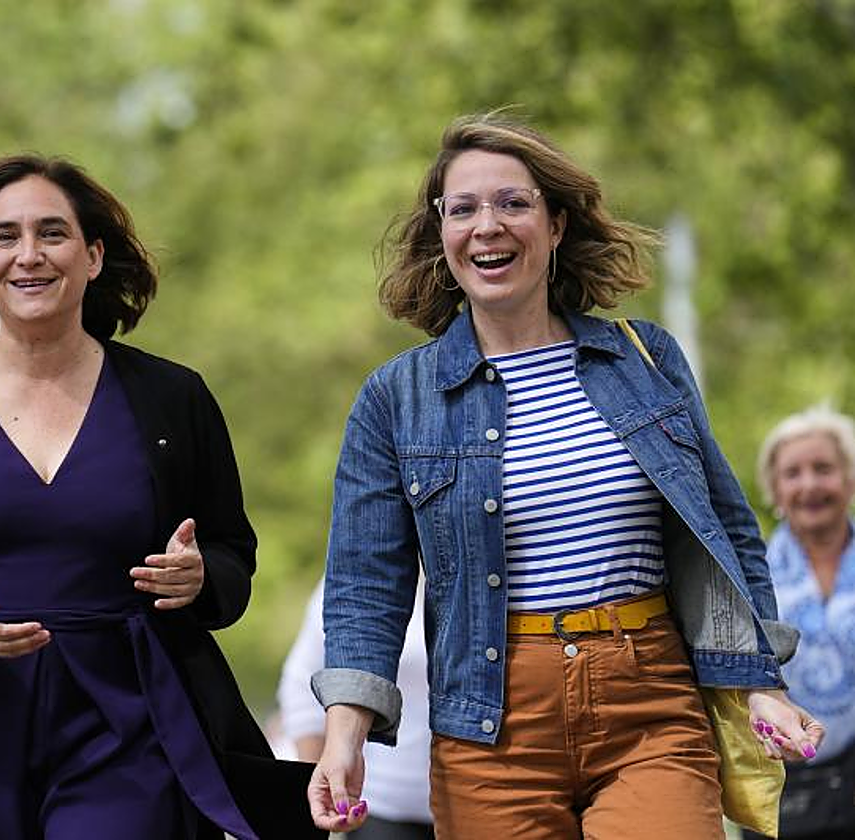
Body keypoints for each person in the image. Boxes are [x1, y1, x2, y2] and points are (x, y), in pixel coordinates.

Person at [305, 112, 825, 839]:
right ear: (443, 236)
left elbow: (726, 525)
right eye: (464, 209)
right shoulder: (397, 399)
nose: (488, 225)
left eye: (513, 203)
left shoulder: (644, 360)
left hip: (649, 698)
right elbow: (366, 582)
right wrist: (344, 737)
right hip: (490, 723)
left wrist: (759, 680)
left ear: (555, 226)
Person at [0, 154, 322, 840]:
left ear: (93, 257)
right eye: (4, 237)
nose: (30, 255)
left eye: (53, 233)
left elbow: (232, 553)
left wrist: (200, 577)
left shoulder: (174, 400)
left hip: (127, 725)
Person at [746, 405, 855, 839]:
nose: (809, 484)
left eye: (823, 468)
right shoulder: (751, 577)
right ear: (774, 488)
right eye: (793, 473)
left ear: (848, 478)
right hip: (785, 788)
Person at [278, 578, 433, 839]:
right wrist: (320, 787)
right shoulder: (361, 580)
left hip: (481, 799)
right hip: (384, 809)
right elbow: (302, 684)